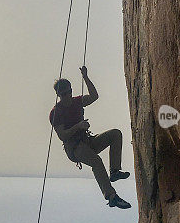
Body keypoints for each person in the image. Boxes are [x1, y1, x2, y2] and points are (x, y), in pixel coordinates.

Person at [49, 66, 131, 209]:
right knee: (96, 162)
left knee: (115, 134)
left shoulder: (77, 102)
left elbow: (94, 96)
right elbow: (62, 136)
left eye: (69, 92)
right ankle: (111, 196)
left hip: (88, 141)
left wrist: (86, 77)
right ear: (59, 95)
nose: (67, 95)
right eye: (64, 94)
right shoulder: (56, 112)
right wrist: (78, 126)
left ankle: (115, 171)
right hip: (74, 148)